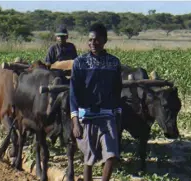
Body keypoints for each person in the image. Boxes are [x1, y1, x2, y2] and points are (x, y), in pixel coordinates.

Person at [69, 23, 122, 181]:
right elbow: (73, 93)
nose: (92, 43)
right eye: (90, 40)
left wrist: (118, 116)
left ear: (105, 40)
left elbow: (117, 91)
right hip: (87, 116)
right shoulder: (80, 62)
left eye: (97, 40)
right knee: (89, 159)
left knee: (111, 155)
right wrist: (75, 121)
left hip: (107, 116)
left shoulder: (114, 63)